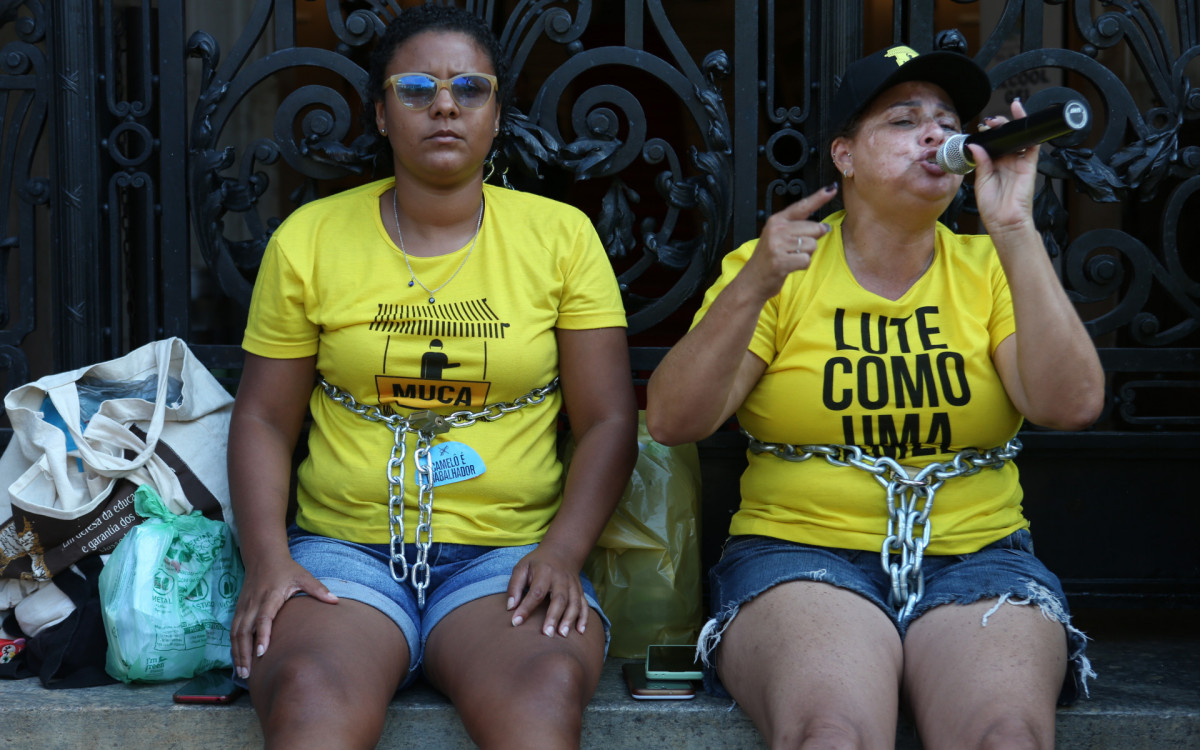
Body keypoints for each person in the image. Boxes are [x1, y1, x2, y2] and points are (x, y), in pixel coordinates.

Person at [646, 44, 1105, 749]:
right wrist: (753, 287)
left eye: (947, 119)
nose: (934, 132)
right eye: (903, 119)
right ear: (845, 155)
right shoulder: (775, 267)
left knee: (1006, 736)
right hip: (801, 552)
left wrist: (1014, 228)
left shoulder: (989, 267)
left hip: (979, 554)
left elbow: (1069, 404)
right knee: (831, 734)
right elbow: (674, 420)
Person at [227, 6, 637, 749]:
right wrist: (267, 560)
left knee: (541, 697)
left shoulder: (560, 238)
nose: (444, 105)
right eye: (415, 89)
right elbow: (262, 417)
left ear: (495, 112)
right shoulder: (311, 239)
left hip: (509, 556)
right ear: (382, 115)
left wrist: (564, 552)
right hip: (341, 554)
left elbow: (608, 419)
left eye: (469, 89)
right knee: (311, 696)